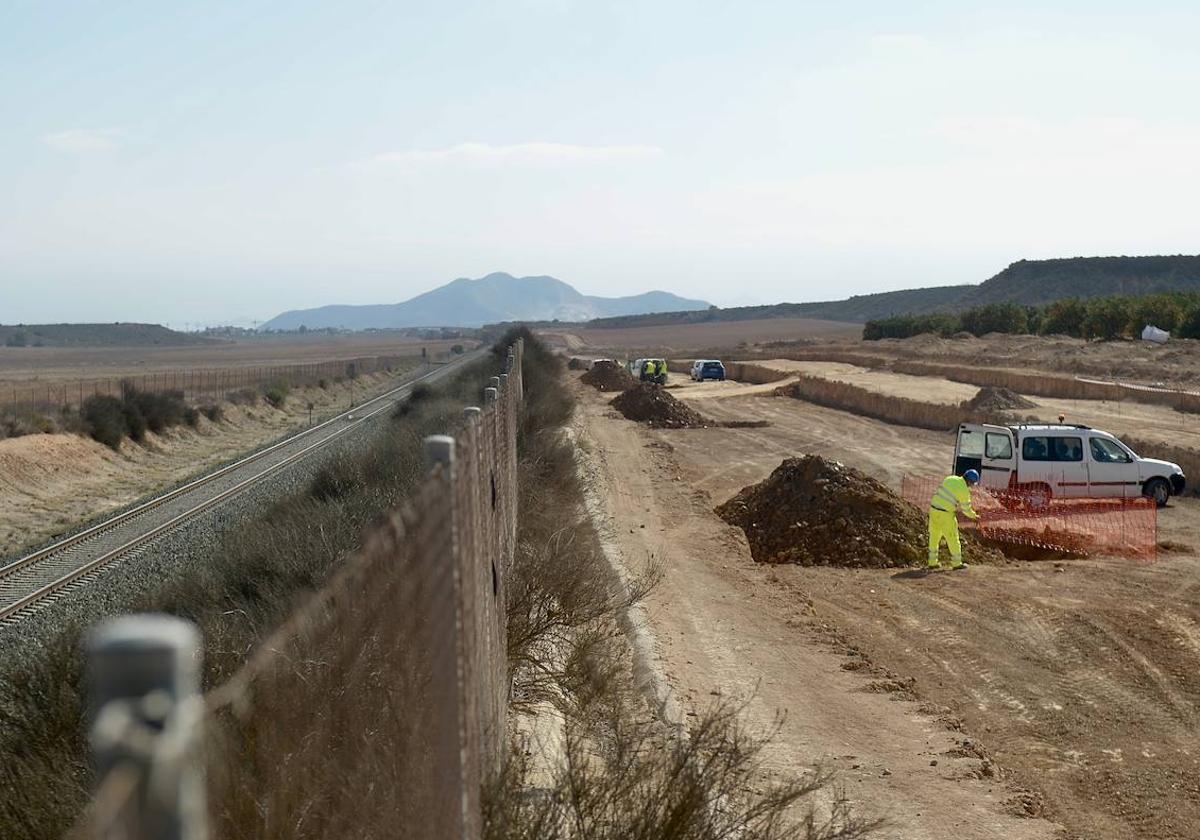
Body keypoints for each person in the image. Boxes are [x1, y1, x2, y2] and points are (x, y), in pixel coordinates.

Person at [928, 469, 979, 571]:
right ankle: (956, 563)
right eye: (972, 484)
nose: (972, 486)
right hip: (945, 514)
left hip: (933, 510)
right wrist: (974, 516)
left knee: (934, 537)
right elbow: (966, 509)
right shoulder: (964, 490)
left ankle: (932, 562)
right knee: (953, 538)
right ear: (970, 481)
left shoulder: (950, 478)